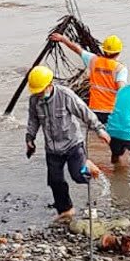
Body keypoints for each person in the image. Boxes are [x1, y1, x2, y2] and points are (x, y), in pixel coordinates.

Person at [24, 66, 108, 223]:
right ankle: (66, 210)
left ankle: (88, 169)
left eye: (41, 91)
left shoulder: (65, 95)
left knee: (79, 176)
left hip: (73, 144)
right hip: (52, 148)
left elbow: (84, 112)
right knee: (55, 181)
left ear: (49, 85)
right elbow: (33, 120)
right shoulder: (34, 100)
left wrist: (99, 129)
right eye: (36, 92)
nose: (39, 94)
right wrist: (30, 138)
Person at [50, 32, 128, 126]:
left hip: (94, 110)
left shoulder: (93, 60)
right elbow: (122, 91)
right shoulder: (120, 69)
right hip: (111, 112)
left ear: (104, 50)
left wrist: (62, 39)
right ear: (119, 52)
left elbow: (77, 49)